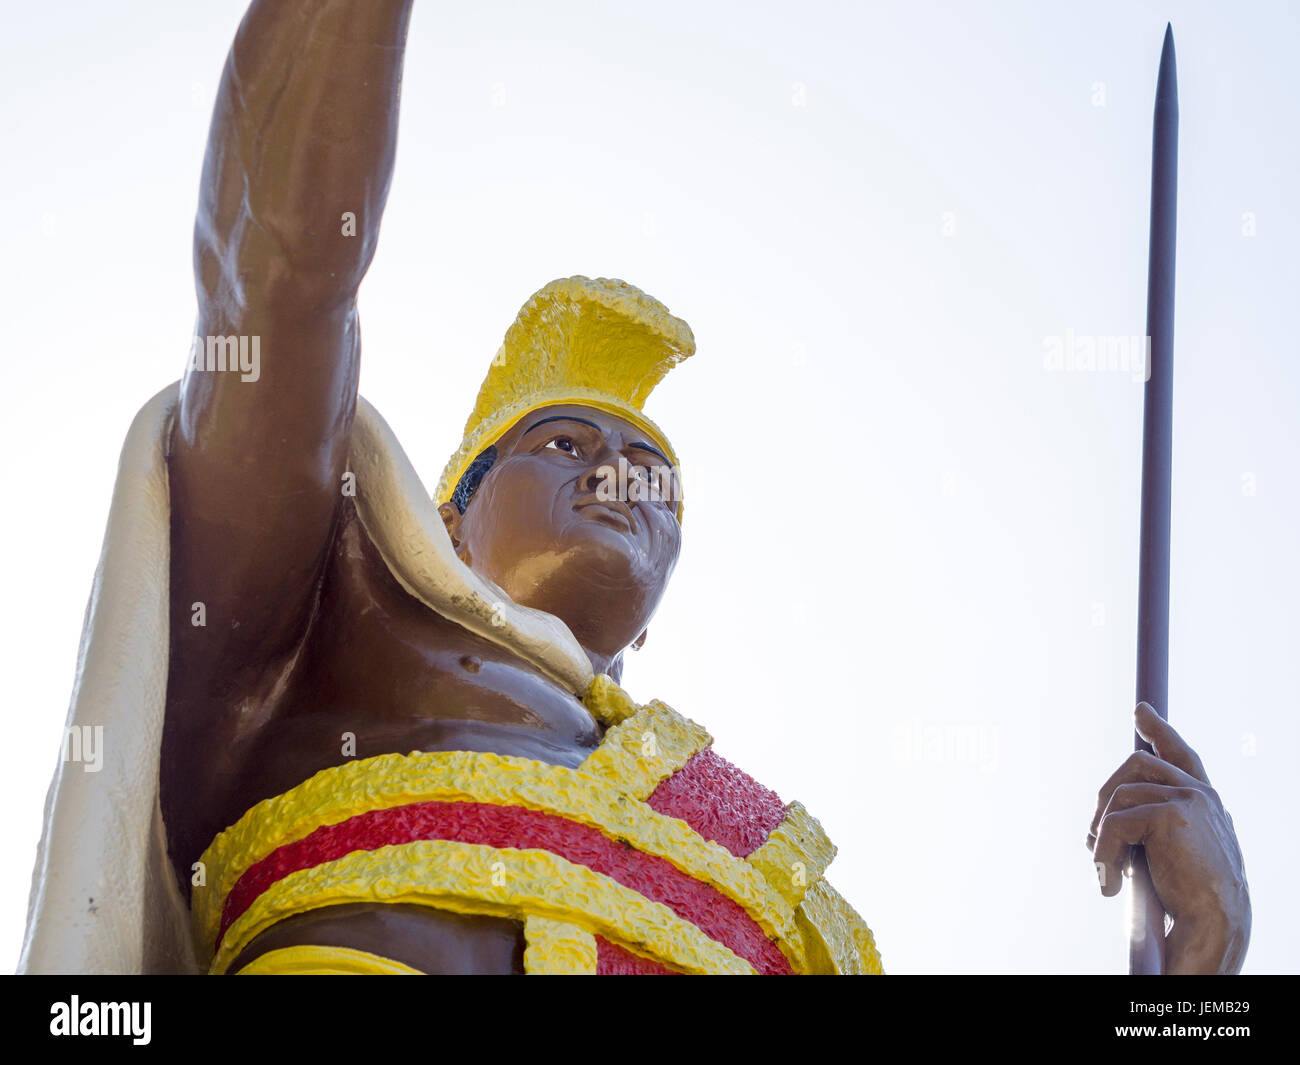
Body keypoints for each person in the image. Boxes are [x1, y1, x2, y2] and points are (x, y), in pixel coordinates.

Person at [20, 0, 1247, 975]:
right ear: (447, 513)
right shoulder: (334, 623)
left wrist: (1199, 977)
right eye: (563, 445)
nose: (621, 475)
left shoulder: (767, 857)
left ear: (656, 615)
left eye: (656, 472)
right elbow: (275, 277)